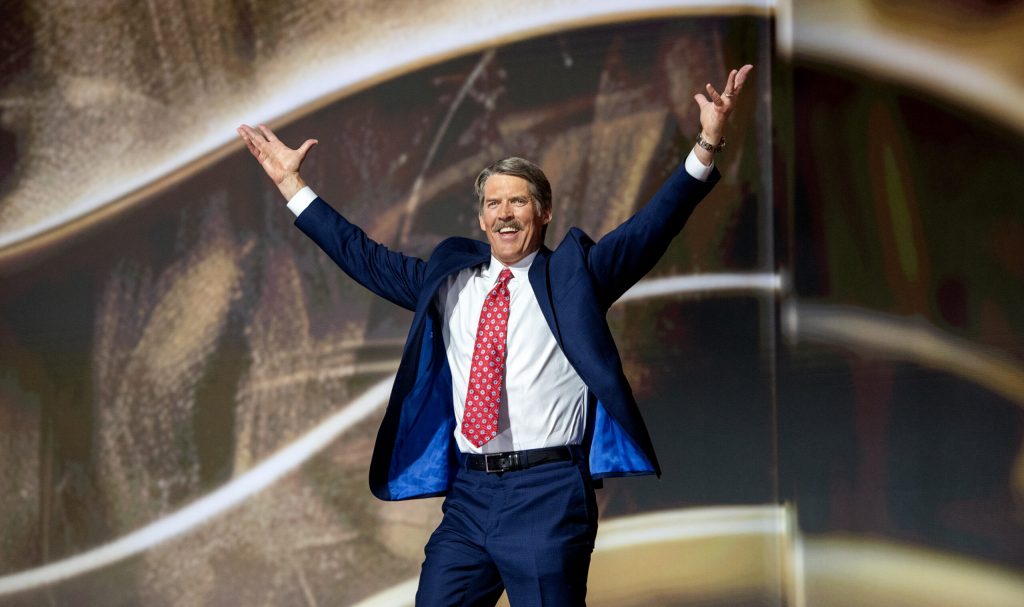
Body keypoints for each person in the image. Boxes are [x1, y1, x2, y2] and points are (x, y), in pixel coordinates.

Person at [238, 63, 753, 606]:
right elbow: (360, 255)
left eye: (519, 201)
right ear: (481, 220)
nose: (505, 214)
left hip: (548, 494)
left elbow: (652, 227)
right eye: (493, 204)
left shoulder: (577, 275)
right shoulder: (450, 283)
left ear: (544, 211)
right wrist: (292, 185)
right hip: (470, 497)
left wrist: (707, 142)